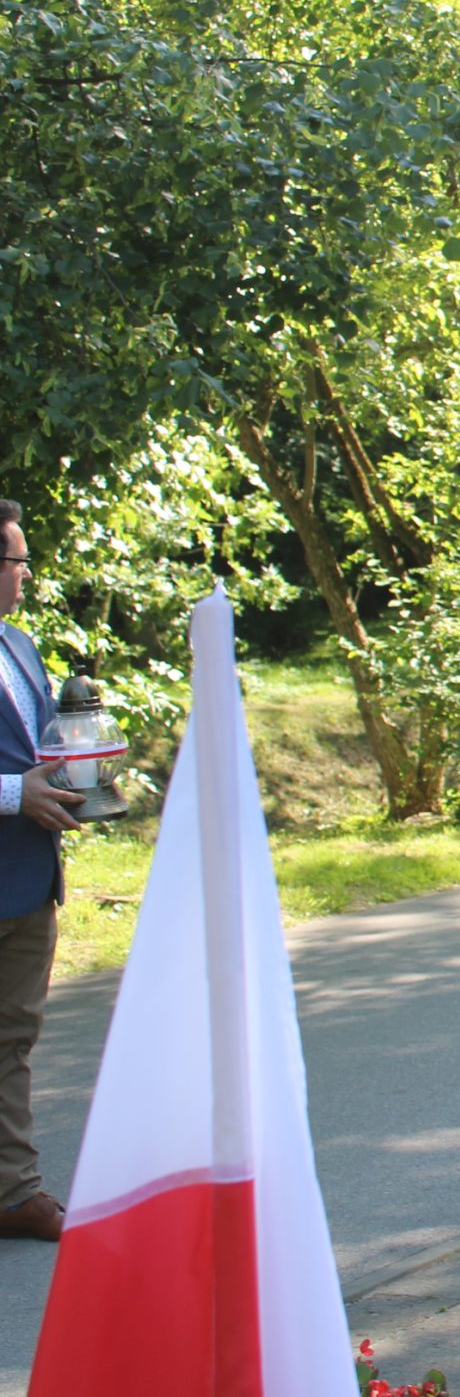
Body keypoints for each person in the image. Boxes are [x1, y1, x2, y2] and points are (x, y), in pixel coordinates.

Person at [0, 499, 77, 1241]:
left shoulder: (20, 645)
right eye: (19, 560)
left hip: (28, 878)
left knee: (11, 1039)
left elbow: (41, 750)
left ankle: (13, 1191)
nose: (26, 574)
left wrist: (82, 776)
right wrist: (11, 794)